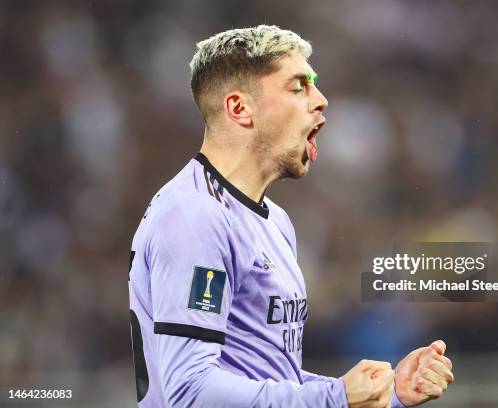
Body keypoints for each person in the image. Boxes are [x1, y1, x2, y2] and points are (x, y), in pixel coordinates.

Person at [128, 25, 454, 407]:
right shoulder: (195, 217)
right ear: (239, 108)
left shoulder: (274, 221)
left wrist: (385, 396)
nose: (321, 100)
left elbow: (271, 378)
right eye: (298, 87)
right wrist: (334, 398)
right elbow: (191, 393)